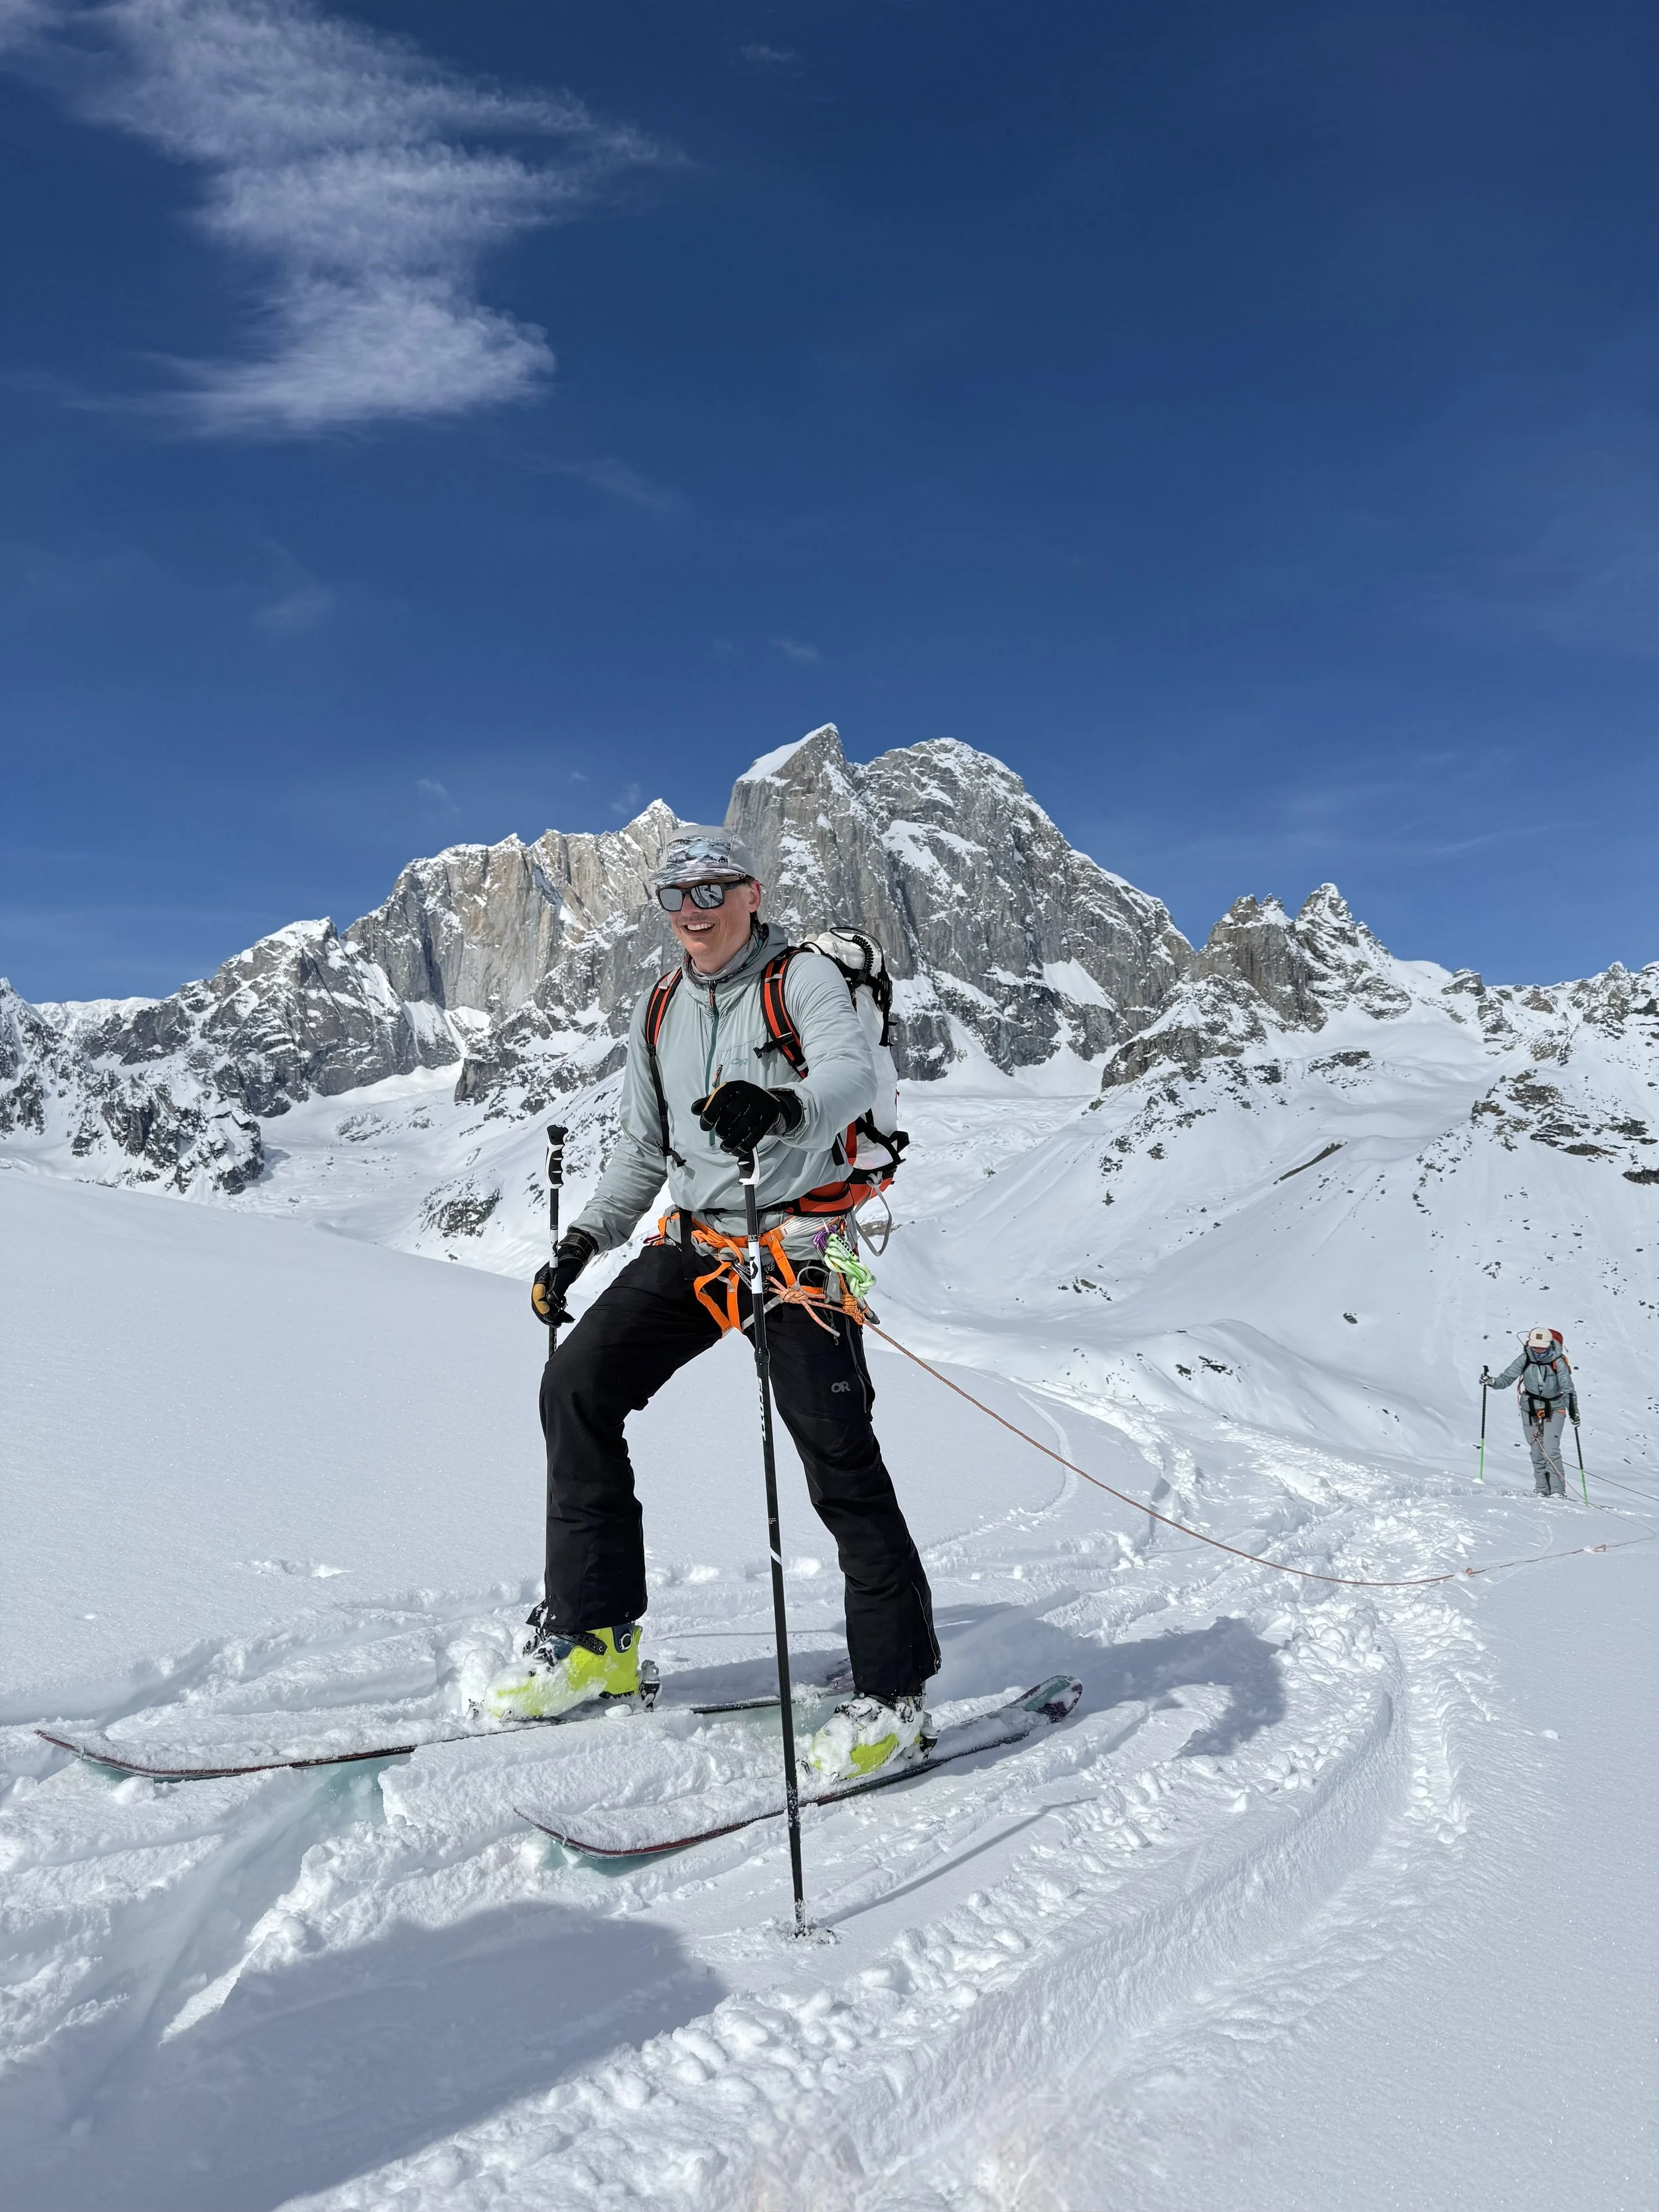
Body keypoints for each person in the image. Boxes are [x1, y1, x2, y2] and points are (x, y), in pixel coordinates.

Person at [483, 826, 939, 1781]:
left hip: (798, 1252)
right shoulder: (657, 1010)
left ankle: (894, 1693)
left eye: (710, 889)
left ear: (749, 892)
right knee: (578, 1386)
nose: (692, 909)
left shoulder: (800, 978)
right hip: (701, 1248)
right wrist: (582, 1242)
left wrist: (782, 1108)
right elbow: (641, 1152)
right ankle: (596, 1640)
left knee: (837, 1457)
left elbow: (847, 1073)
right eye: (675, 894)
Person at [1482, 1328, 1580, 1498]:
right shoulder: (1526, 1358)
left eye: (1542, 1347)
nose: (1538, 1350)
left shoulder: (1559, 1362)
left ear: (1549, 1344)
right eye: (1535, 1346)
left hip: (1555, 1408)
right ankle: (1542, 1489)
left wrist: (1574, 1413)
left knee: (1551, 1450)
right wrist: (1491, 1382)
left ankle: (1558, 1492)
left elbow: (1568, 1389)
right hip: (1530, 1408)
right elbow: (1507, 1378)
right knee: (1536, 1450)